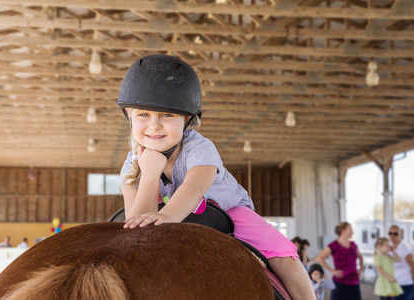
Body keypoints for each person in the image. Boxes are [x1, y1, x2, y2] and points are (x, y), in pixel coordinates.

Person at [118, 54, 315, 300]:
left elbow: (194, 187)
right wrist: (149, 173)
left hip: (227, 213)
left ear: (186, 118)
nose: (155, 125)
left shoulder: (200, 148)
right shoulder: (131, 165)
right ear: (129, 114)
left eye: (167, 116)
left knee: (283, 256)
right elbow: (136, 224)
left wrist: (166, 216)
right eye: (144, 115)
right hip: (164, 219)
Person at [317, 222, 364, 300]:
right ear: (343, 231)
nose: (352, 232)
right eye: (350, 229)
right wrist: (333, 271)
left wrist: (361, 269)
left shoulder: (353, 245)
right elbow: (319, 258)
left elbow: (361, 256)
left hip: (354, 281)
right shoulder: (334, 245)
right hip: (340, 282)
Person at [388, 225, 414, 300]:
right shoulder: (389, 250)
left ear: (401, 235)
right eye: (390, 233)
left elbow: (413, 266)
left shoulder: (405, 250)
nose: (392, 236)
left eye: (395, 234)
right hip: (394, 285)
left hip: (406, 285)